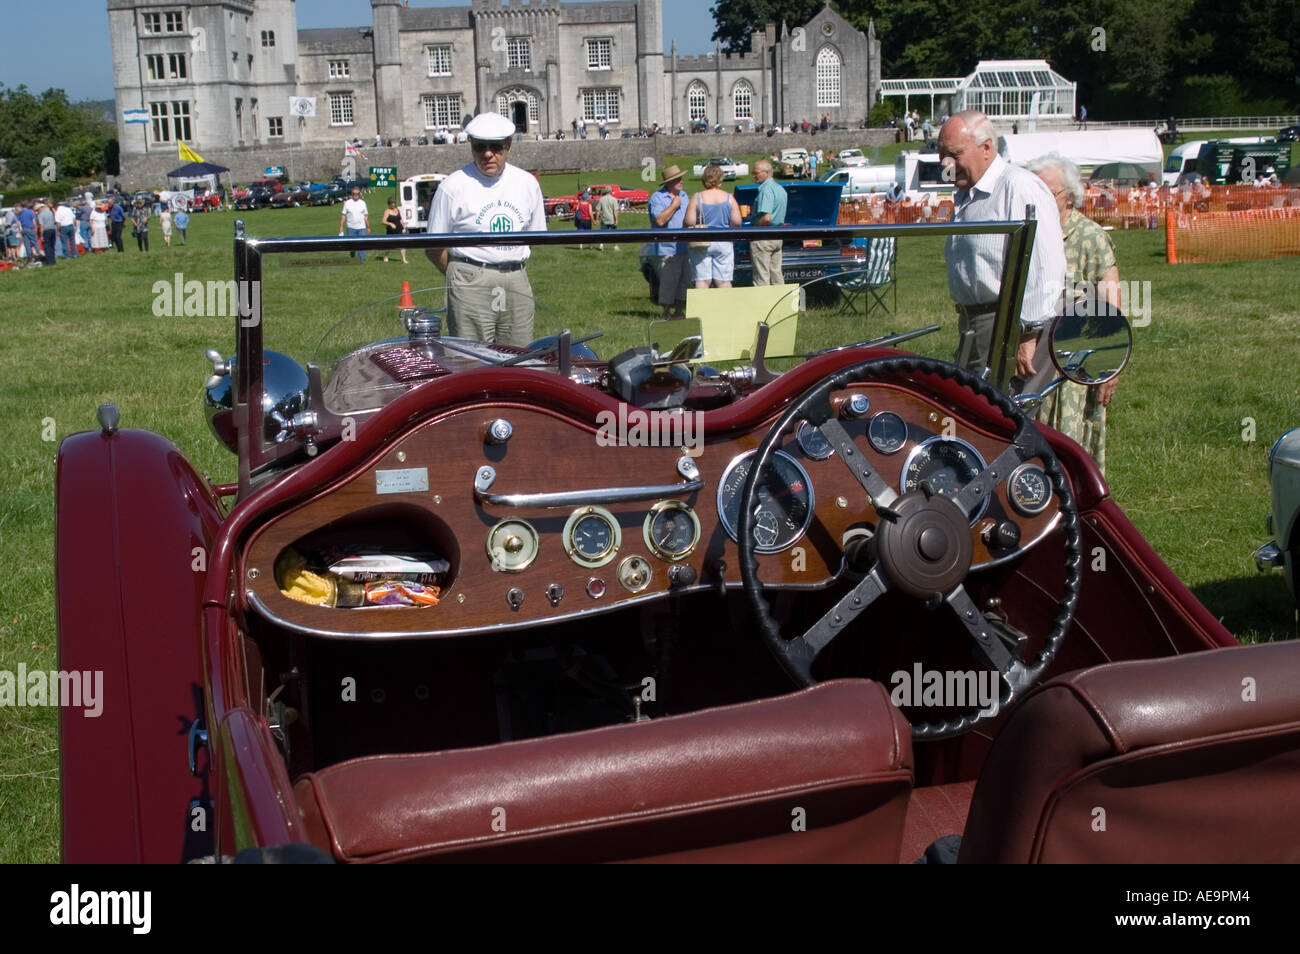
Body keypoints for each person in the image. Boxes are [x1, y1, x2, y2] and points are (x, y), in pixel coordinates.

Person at [938, 110, 1065, 378]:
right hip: (976, 325)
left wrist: (1027, 335)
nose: (946, 164)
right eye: (942, 155)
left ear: (986, 148)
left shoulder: (1018, 187)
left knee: (1004, 415)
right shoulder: (966, 195)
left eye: (954, 154)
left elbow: (1045, 266)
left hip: (1010, 328)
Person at [1027, 154, 1122, 473]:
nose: (1039, 199)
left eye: (1047, 192)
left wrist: (1111, 364)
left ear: (1069, 194)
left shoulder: (1090, 237)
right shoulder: (1028, 235)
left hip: (1074, 355)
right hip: (1028, 355)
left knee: (1070, 444)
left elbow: (1110, 304)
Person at [424, 111, 546, 345]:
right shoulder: (452, 187)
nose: (488, 154)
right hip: (469, 277)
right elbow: (433, 246)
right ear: (471, 146)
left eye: (496, 147)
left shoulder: (527, 184)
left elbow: (536, 235)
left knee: (518, 357)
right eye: (480, 147)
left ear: (509, 145)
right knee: (473, 359)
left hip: (516, 277)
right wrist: (463, 275)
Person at [684, 164, 742, 289]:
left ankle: (701, 308)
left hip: (702, 241)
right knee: (724, 281)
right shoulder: (729, 198)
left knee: (702, 280)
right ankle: (726, 307)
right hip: (724, 241)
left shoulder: (697, 197)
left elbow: (690, 221)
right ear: (720, 180)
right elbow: (737, 222)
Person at [648, 164, 692, 319]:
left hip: (685, 247)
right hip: (667, 248)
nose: (681, 181)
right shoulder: (657, 198)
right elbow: (660, 220)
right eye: (677, 179)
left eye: (681, 178)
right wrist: (674, 206)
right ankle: (666, 313)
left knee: (684, 282)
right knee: (669, 283)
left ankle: (679, 312)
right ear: (668, 182)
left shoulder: (685, 196)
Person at [750, 159, 787, 285]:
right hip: (777, 235)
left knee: (761, 276)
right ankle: (782, 302)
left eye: (756, 173)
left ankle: (763, 304)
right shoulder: (780, 189)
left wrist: (753, 228)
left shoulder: (765, 190)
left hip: (764, 236)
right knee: (776, 273)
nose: (753, 175)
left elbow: (766, 217)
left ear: (766, 173)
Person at [340, 186, 370, 261]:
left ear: (359, 194)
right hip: (351, 227)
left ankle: (361, 259)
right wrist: (341, 227)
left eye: (357, 193)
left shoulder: (363, 203)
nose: (355, 195)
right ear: (351, 194)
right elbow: (343, 215)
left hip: (361, 227)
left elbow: (366, 216)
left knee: (362, 244)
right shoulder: (347, 203)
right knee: (352, 244)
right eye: (354, 193)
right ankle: (352, 255)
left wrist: (368, 227)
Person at [381, 196, 407, 263]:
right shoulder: (387, 211)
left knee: (402, 244)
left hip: (399, 229)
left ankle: (404, 259)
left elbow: (400, 219)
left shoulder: (397, 210)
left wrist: (404, 226)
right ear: (389, 204)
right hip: (391, 231)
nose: (393, 205)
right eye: (391, 204)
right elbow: (383, 221)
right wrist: (390, 224)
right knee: (389, 245)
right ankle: (386, 256)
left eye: (394, 203)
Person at [36, 202, 57, 266]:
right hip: (53, 229)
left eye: (37, 210)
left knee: (47, 247)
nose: (37, 211)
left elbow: (41, 226)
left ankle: (49, 261)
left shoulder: (40, 215)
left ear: (40, 208)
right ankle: (53, 260)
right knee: (52, 246)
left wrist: (41, 235)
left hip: (46, 231)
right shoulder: (49, 212)